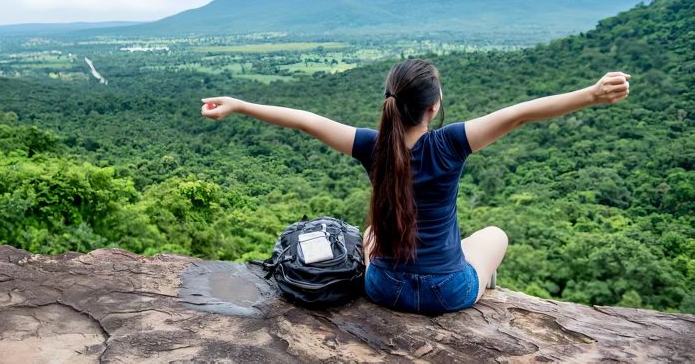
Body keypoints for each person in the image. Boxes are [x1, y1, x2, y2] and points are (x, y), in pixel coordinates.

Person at [200, 59, 631, 315]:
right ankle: (485, 290)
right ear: (433, 107)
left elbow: (303, 119)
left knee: (369, 233)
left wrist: (239, 105)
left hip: (384, 288)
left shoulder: (371, 146)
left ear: (390, 103)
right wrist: (591, 95)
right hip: (450, 292)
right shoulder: (451, 143)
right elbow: (518, 114)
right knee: (495, 235)